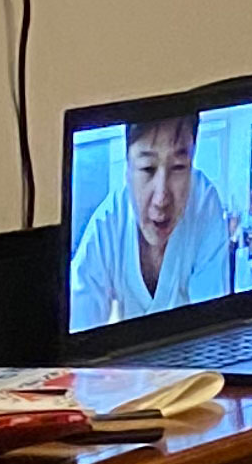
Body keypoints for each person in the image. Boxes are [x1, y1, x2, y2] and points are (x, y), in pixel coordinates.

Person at [68, 110, 241, 327]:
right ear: (127, 172)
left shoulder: (205, 205)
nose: (161, 198)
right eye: (147, 169)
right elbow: (77, 327)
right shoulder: (108, 224)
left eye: (178, 167)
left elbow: (213, 327)